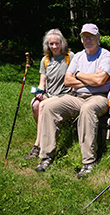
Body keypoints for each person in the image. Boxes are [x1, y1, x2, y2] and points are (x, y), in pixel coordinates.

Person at [35, 23, 110, 178]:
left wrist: (78, 75)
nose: (88, 40)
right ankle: (46, 155)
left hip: (100, 97)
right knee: (50, 106)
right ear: (81, 39)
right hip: (77, 97)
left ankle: (88, 162)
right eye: (85, 37)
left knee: (87, 109)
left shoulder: (105, 55)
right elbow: (67, 80)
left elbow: (99, 81)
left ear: (98, 38)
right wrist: (89, 79)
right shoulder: (78, 56)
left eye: (91, 37)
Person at [25, 29, 74, 160]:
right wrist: (39, 93)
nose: (54, 47)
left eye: (57, 43)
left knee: (42, 106)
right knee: (34, 104)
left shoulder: (70, 56)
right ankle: (46, 133)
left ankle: (38, 145)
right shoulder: (45, 60)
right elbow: (42, 84)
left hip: (64, 95)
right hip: (49, 94)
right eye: (51, 44)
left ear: (62, 43)